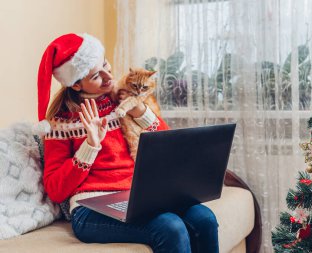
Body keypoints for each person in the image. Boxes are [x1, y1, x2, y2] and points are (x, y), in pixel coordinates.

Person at [37, 33, 219, 253]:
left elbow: (167, 145)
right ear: (76, 85)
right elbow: (56, 190)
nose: (108, 76)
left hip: (139, 197)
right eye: (96, 76)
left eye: (105, 64)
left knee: (205, 219)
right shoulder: (60, 123)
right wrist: (90, 146)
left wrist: (141, 112)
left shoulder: (122, 100)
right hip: (90, 208)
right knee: (170, 227)